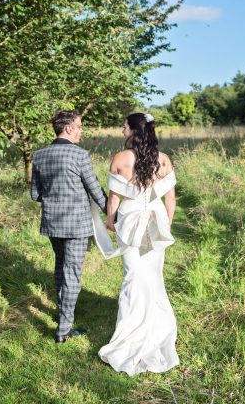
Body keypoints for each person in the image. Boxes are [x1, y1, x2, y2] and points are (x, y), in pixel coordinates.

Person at [97, 112, 179, 375]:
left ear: (133, 130)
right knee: (152, 276)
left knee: (134, 276)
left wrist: (111, 221)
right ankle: (154, 330)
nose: (122, 130)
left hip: (132, 224)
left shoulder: (120, 159)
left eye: (124, 126)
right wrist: (165, 224)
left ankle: (131, 335)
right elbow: (170, 200)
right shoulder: (163, 160)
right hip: (155, 225)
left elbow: (114, 199)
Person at [30, 110, 107, 343]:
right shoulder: (80, 155)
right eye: (80, 126)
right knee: (72, 272)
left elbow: (35, 194)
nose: (82, 131)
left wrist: (56, 197)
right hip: (76, 225)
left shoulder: (39, 155)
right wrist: (114, 214)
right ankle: (64, 329)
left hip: (53, 223)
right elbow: (95, 190)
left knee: (60, 267)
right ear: (69, 128)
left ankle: (64, 312)